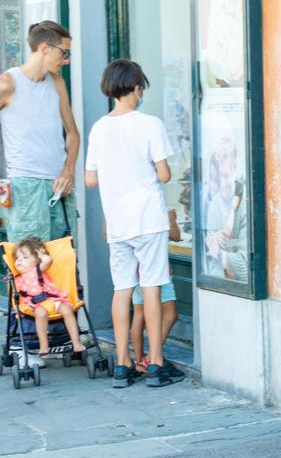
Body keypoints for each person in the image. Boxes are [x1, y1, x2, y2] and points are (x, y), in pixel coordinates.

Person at [84, 59, 179, 388]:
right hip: (148, 218)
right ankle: (154, 362)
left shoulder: (99, 128)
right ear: (136, 89)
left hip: (118, 222)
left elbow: (91, 179)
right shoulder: (149, 124)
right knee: (151, 287)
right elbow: (165, 173)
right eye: (142, 89)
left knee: (122, 289)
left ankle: (123, 364)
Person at [0, 21, 81, 242]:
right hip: (25, 188)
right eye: (64, 53)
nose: (67, 60)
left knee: (63, 266)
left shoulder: (57, 83)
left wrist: (68, 172)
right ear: (44, 48)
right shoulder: (7, 84)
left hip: (59, 188)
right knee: (30, 271)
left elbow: (73, 134)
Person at [129, 208, 184, 380]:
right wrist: (171, 218)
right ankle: (152, 357)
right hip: (158, 272)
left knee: (139, 316)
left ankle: (139, 361)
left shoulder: (130, 212)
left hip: (135, 271)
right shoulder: (156, 210)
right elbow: (176, 236)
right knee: (170, 314)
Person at [12, 236, 84, 362]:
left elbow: (48, 260)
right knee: (41, 313)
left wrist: (40, 253)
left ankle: (76, 342)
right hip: (37, 305)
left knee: (67, 310)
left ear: (36, 260)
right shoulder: (17, 278)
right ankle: (44, 345)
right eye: (17, 258)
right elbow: (19, 296)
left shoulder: (38, 270)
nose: (19, 261)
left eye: (25, 257)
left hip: (54, 300)